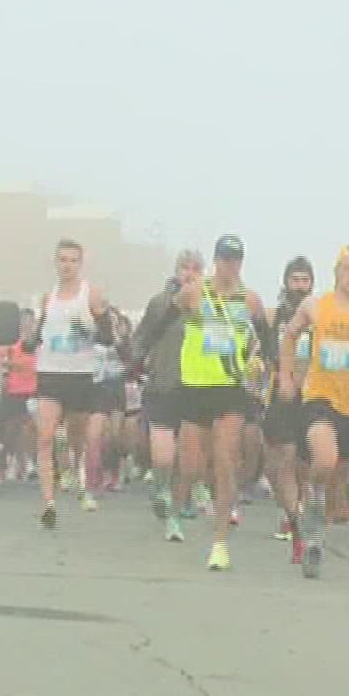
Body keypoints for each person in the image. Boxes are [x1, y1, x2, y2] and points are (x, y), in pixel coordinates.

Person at [280, 245, 349, 579]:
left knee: (337, 484)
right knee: (324, 459)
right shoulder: (315, 306)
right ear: (336, 272)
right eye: (347, 267)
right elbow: (289, 337)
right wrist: (286, 377)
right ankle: (312, 504)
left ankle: (315, 532)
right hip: (319, 396)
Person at [175, 234, 271, 572]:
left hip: (231, 387)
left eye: (236, 259)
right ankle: (194, 495)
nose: (230, 265)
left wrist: (264, 373)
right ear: (216, 260)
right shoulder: (194, 292)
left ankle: (219, 541)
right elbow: (161, 321)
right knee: (191, 464)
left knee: (226, 456)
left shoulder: (251, 300)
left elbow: (267, 343)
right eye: (225, 259)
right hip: (195, 385)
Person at [24, 239, 110, 529]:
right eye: (62, 260)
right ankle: (48, 503)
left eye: (72, 260)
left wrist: (89, 329)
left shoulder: (91, 294)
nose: (67, 265)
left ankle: (76, 473)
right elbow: (37, 336)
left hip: (80, 375)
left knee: (77, 438)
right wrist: (29, 340)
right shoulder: (47, 298)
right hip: (50, 373)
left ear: (80, 263)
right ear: (55, 263)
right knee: (45, 438)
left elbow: (108, 337)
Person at [130, 250, 200, 541]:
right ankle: (161, 489)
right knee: (162, 455)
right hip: (163, 383)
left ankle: (182, 500)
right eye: (185, 267)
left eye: (196, 268)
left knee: (190, 456)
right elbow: (142, 337)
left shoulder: (209, 305)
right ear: (176, 270)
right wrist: (136, 363)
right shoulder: (160, 303)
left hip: (197, 387)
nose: (190, 273)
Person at [265, 257, 316, 562]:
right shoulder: (275, 316)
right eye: (295, 279)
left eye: (305, 280)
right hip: (280, 393)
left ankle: (301, 512)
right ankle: (292, 513)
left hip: (312, 395)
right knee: (279, 458)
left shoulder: (319, 314)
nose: (299, 285)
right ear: (285, 281)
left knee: (304, 463)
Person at [0, 308, 38, 483]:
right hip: (13, 392)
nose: (26, 324)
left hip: (34, 392)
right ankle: (4, 466)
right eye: (23, 320)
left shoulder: (38, 344)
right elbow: (2, 364)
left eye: (30, 321)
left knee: (30, 430)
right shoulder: (9, 343)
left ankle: (28, 465)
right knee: (10, 433)